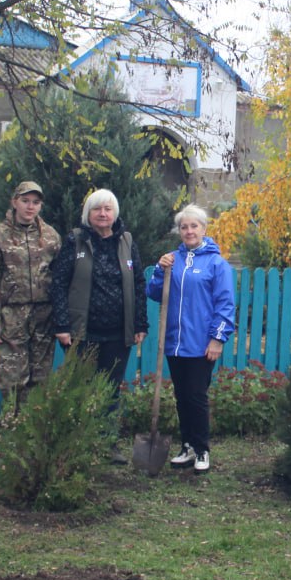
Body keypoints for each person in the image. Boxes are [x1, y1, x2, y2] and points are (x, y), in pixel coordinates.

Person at [50, 188, 148, 460]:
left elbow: (138, 283)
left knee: (111, 389)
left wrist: (140, 323)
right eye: (97, 209)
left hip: (118, 332)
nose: (103, 214)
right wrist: (62, 324)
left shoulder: (127, 241)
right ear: (88, 213)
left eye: (108, 209)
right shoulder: (75, 241)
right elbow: (58, 283)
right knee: (79, 387)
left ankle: (107, 444)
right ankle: (77, 444)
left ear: (115, 213)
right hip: (82, 332)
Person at [147, 204, 235, 474]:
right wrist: (160, 270)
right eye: (184, 227)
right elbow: (154, 292)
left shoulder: (217, 264)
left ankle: (202, 448)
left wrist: (217, 339)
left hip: (201, 344)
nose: (189, 231)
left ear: (204, 229)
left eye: (194, 226)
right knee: (182, 396)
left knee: (196, 396)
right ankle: (186, 446)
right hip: (175, 343)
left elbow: (225, 304)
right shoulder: (172, 260)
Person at [0, 180, 62, 416]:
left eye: (35, 202)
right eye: (25, 201)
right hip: (12, 313)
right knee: (12, 375)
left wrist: (60, 317)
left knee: (40, 375)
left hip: (44, 315)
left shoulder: (50, 236)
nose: (30, 207)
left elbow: (60, 278)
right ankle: (12, 421)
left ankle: (32, 424)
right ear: (14, 202)